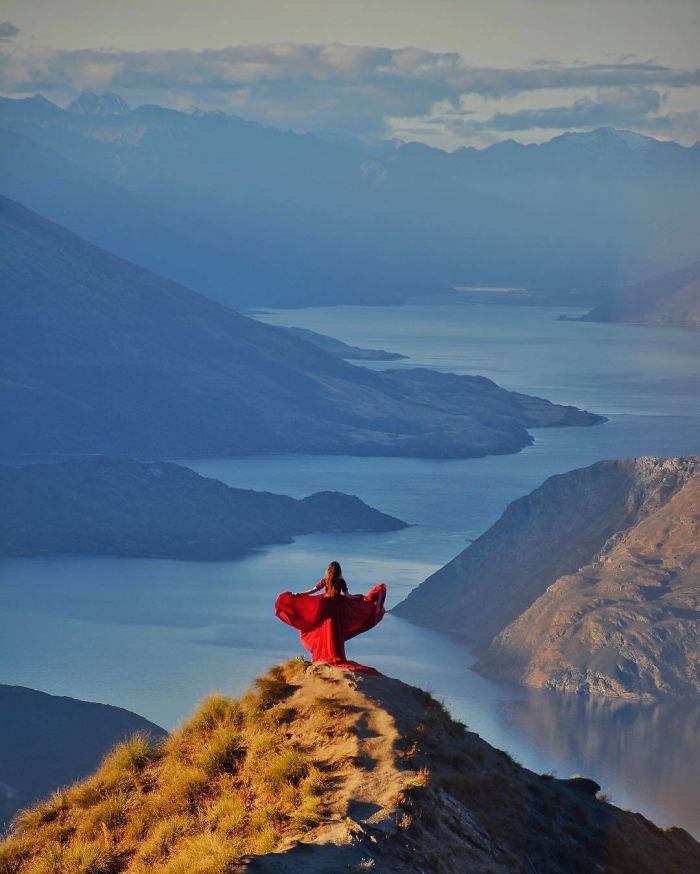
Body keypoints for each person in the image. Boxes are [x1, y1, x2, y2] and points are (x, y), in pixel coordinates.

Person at [275, 561, 386, 673]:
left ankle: (326, 654)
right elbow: (348, 596)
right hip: (337, 609)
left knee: (325, 631)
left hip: (326, 609)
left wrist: (298, 594)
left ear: (329, 570)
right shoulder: (341, 582)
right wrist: (360, 598)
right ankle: (335, 654)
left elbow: (311, 591)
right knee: (334, 631)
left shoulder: (325, 581)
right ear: (339, 571)